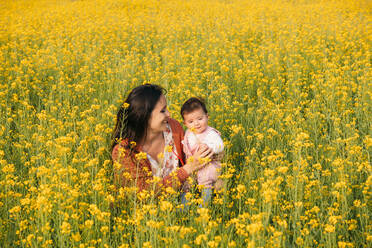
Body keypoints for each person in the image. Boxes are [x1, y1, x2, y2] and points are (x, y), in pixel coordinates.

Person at [111, 84, 213, 197]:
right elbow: (144, 193)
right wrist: (188, 169)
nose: (168, 114)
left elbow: (193, 155)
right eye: (162, 111)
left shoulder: (174, 128)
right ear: (144, 115)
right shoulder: (124, 151)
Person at [181, 97, 224, 206]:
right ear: (185, 123)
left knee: (206, 184)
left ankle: (203, 209)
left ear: (207, 117)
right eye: (191, 121)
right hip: (193, 166)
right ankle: (183, 208)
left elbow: (220, 146)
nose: (196, 124)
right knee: (186, 185)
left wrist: (210, 147)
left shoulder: (210, 133)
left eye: (200, 119)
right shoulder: (188, 133)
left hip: (208, 167)